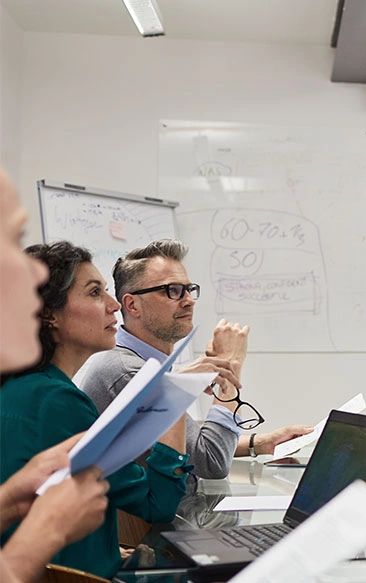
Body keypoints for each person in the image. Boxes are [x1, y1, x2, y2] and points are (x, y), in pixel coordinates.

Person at [0, 241, 190, 578]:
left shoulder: (22, 389)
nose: (114, 305)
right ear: (48, 314)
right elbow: (157, 503)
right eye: (94, 293)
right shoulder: (57, 401)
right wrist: (176, 399)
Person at [76, 239, 312, 480]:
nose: (189, 300)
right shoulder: (128, 372)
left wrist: (258, 444)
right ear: (132, 305)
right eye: (172, 290)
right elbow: (210, 462)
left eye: (189, 289)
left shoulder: (139, 363)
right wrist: (230, 368)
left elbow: (183, 444)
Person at [0, 170, 110, 582]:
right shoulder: (52, 397)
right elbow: (157, 501)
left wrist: (10, 500)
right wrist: (46, 529)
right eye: (9, 243)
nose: (36, 276)